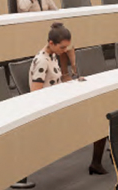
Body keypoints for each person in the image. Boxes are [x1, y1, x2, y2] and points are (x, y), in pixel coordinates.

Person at [28, 22, 107, 174]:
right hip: (50, 110)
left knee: (100, 119)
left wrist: (74, 81)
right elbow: (36, 94)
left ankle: (96, 163)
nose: (64, 51)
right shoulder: (42, 61)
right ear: (51, 43)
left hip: (59, 102)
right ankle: (96, 163)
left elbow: (57, 81)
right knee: (98, 121)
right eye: (62, 47)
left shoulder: (52, 56)